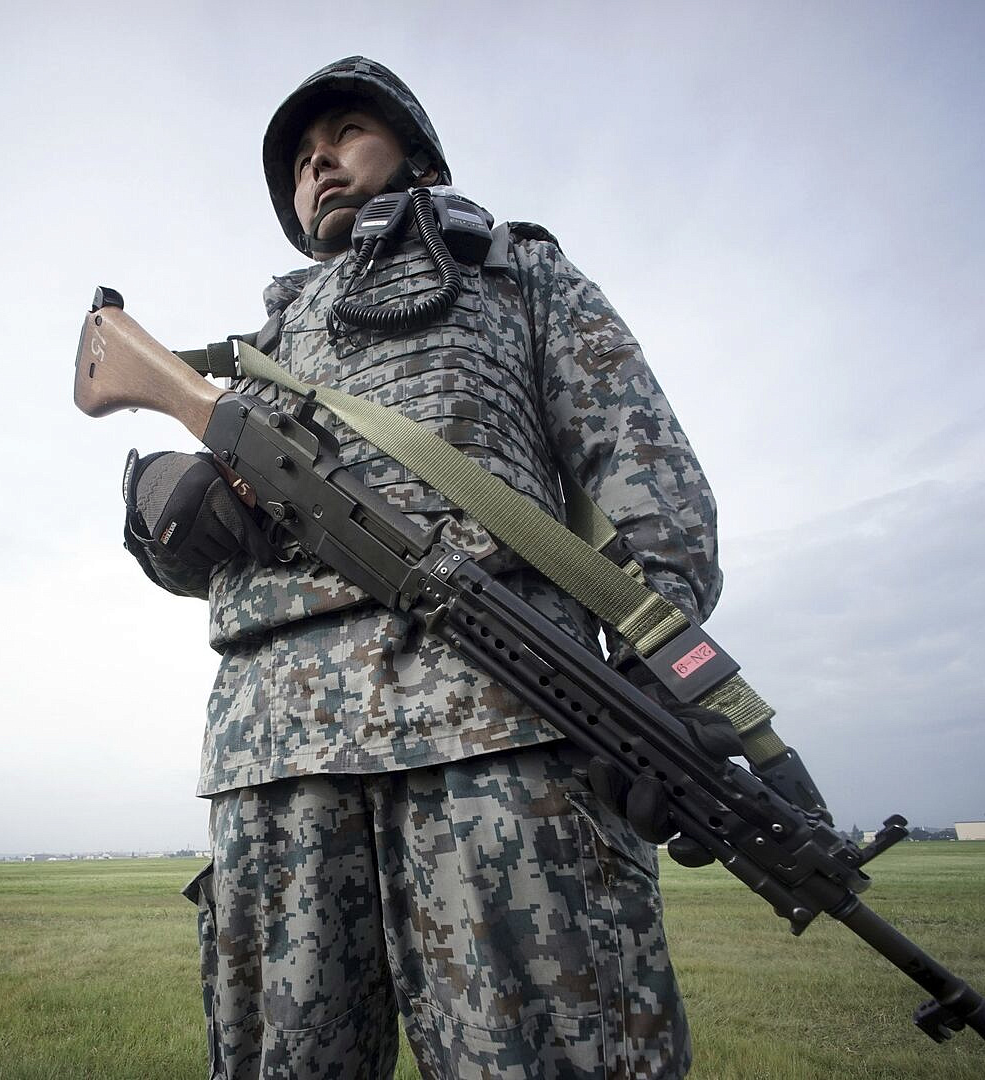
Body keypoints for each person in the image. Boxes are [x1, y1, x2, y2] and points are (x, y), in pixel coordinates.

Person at [122, 57, 719, 1079]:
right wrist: (167, 517)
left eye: (346, 136)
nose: (320, 167)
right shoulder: (257, 349)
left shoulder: (518, 273)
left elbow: (645, 470)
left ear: (418, 152)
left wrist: (656, 672)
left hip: (501, 727)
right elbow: (207, 563)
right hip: (277, 750)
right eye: (302, 162)